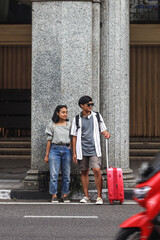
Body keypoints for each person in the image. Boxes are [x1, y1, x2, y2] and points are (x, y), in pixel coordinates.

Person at [71, 96, 110, 204]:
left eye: (92, 104)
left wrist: (106, 134)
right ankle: (86, 196)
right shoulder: (77, 119)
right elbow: (74, 136)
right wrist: (74, 153)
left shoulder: (97, 116)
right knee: (84, 172)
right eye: (88, 105)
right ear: (82, 106)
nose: (91, 106)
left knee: (97, 170)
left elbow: (103, 129)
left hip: (94, 148)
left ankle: (99, 197)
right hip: (81, 149)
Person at [44, 105, 72, 203]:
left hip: (66, 149)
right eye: (63, 112)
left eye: (66, 112)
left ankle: (65, 194)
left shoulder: (69, 124)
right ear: (57, 113)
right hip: (54, 149)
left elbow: (73, 138)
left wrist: (70, 148)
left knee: (66, 174)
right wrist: (47, 155)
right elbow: (49, 140)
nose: (65, 114)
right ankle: (54, 195)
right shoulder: (52, 125)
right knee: (53, 174)